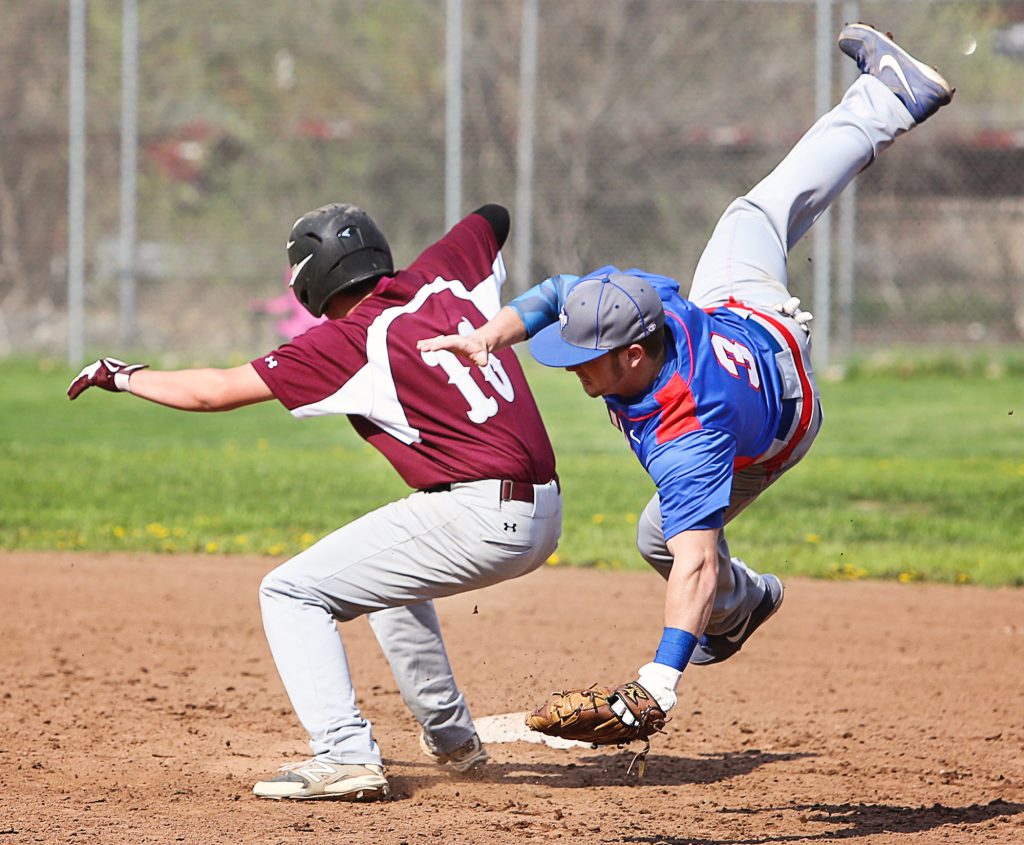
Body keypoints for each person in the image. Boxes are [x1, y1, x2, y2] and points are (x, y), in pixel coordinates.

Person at [419, 25, 952, 724]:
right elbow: (557, 293)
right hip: (745, 316)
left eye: (585, 357)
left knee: (660, 540)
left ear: (635, 355)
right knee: (754, 213)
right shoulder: (638, 301)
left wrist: (659, 680)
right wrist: (493, 332)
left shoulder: (687, 438)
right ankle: (890, 97)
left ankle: (743, 605)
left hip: (781, 424)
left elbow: (696, 563)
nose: (571, 365)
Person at [67, 202, 562, 801]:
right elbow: (494, 216)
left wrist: (122, 376)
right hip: (543, 511)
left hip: (480, 517)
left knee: (289, 592)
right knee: (386, 585)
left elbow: (214, 391)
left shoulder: (348, 339)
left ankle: (344, 754)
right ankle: (453, 740)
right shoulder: (444, 272)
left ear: (310, 282)